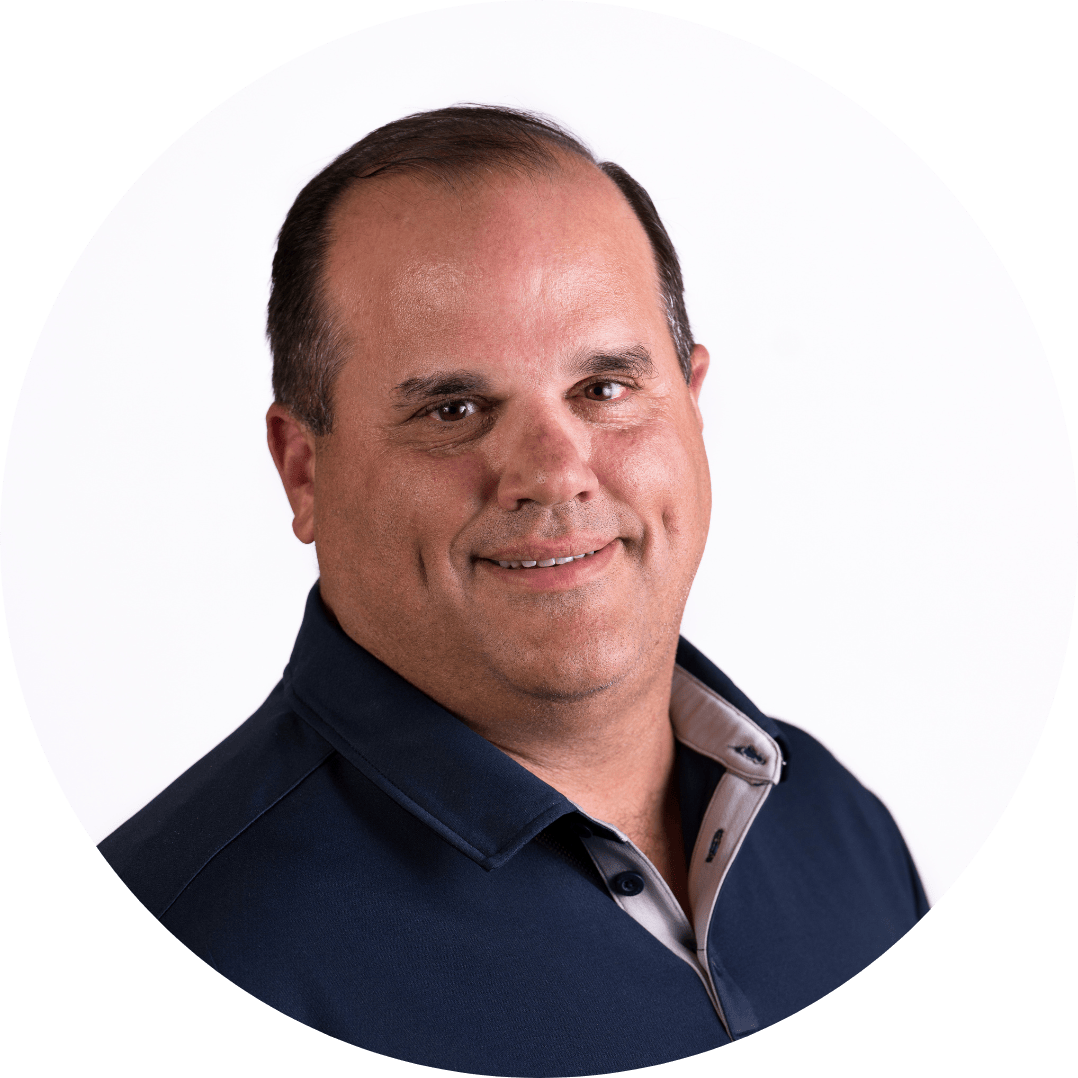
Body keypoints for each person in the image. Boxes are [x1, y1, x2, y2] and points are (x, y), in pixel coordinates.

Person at [99, 106, 927, 1077]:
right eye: (454, 408)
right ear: (303, 471)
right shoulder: (179, 957)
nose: (553, 470)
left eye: (605, 389)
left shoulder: (835, 824)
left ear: (692, 403)